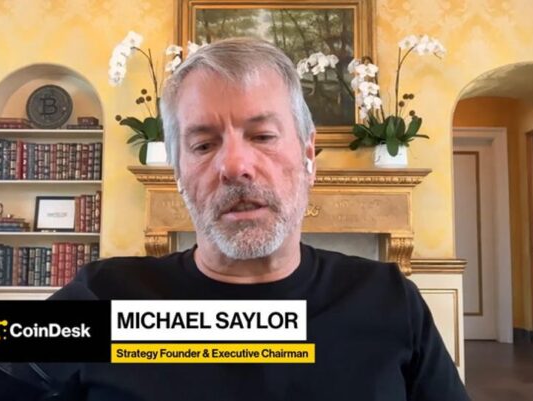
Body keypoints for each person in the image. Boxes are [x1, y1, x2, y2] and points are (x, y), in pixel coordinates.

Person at [50, 37, 470, 401]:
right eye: (203, 145)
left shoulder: (390, 300)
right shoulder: (100, 296)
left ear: (308, 156)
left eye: (263, 136)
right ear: (177, 173)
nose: (235, 166)